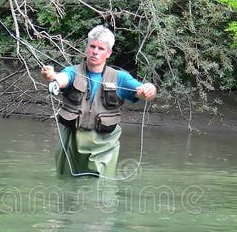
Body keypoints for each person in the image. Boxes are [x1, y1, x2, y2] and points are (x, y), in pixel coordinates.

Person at [41, 25, 157, 177]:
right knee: (66, 183)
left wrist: (149, 89)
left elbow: (143, 92)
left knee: (100, 189)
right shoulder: (72, 71)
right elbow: (62, 79)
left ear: (108, 53)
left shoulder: (120, 78)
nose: (95, 51)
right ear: (86, 49)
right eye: (92, 46)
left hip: (104, 143)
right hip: (72, 140)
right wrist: (52, 76)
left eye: (101, 48)